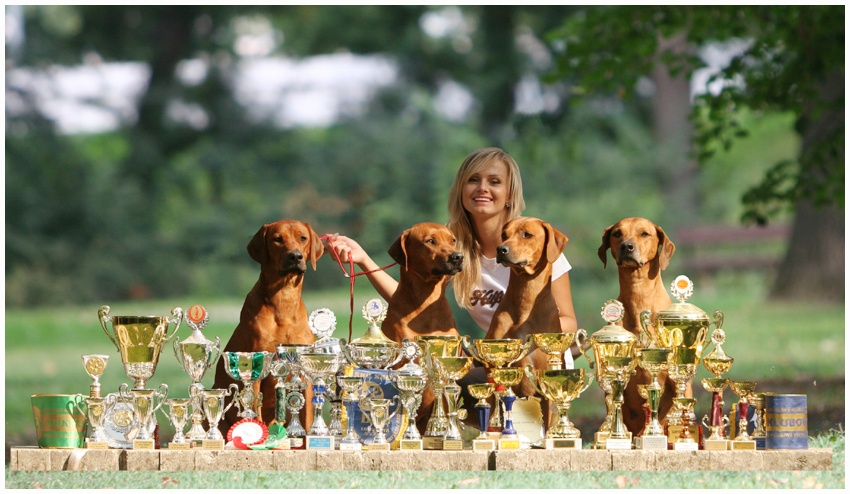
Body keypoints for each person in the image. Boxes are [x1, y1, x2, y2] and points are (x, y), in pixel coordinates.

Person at [324, 147, 579, 368]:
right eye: (473, 180)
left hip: (542, 361)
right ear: (461, 190)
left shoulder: (536, 241)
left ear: (510, 194)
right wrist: (364, 260)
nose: (483, 188)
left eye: (495, 181)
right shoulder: (453, 248)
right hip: (494, 363)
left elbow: (568, 321)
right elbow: (413, 301)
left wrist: (515, 337)